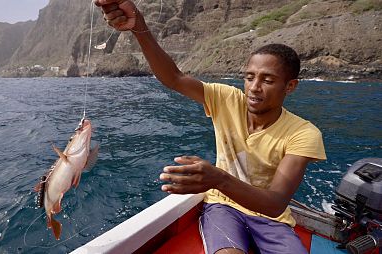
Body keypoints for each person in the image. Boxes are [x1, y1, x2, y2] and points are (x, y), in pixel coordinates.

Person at [95, 1, 327, 253]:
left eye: (268, 80)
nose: (254, 87)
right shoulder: (226, 99)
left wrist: (218, 178)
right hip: (223, 208)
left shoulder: (304, 133)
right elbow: (174, 78)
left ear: (290, 86)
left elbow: (274, 204)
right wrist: (138, 25)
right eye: (249, 77)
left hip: (272, 220)